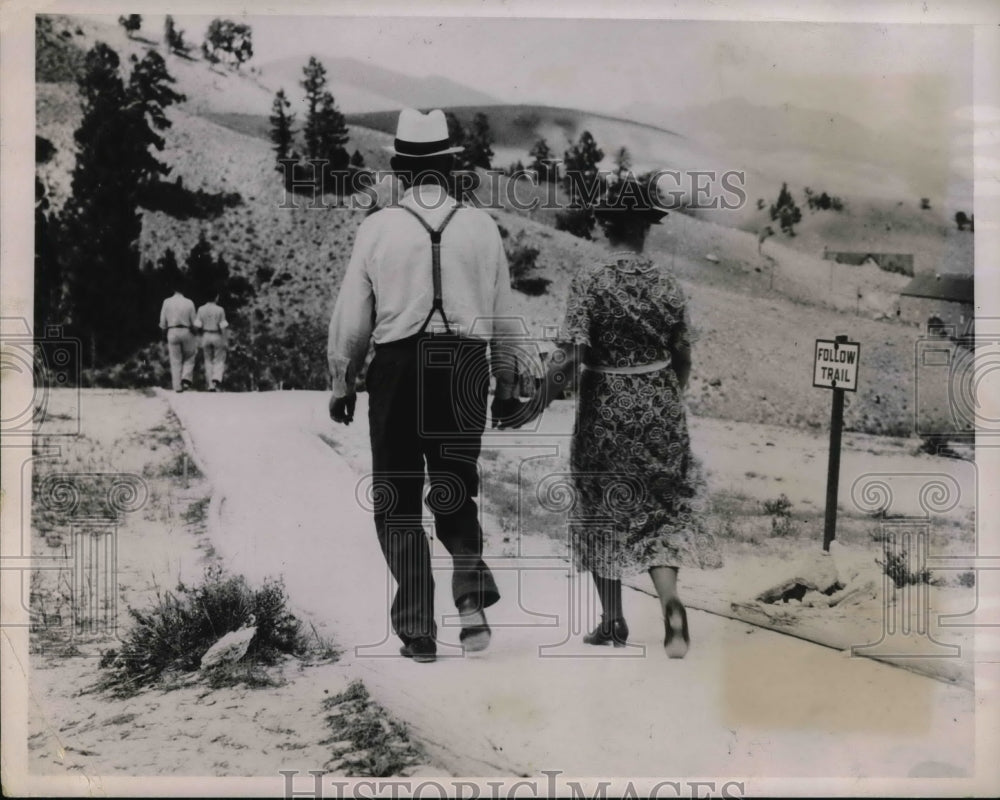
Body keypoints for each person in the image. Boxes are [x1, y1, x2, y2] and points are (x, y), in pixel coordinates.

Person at [327, 108, 523, 664]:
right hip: (464, 363)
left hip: (399, 364)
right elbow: (504, 315)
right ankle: (470, 595)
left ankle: (417, 631)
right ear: (448, 166)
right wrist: (505, 383)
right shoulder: (482, 226)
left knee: (397, 499)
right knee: (455, 487)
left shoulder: (378, 227)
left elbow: (353, 316)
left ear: (399, 167)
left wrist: (342, 381)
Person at [532, 177, 720, 658]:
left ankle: (612, 621)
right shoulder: (668, 283)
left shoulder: (591, 280)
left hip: (604, 410)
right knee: (658, 512)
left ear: (604, 224)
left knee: (601, 509)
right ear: (646, 228)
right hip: (660, 405)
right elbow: (683, 358)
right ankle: (670, 602)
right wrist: (663, 401)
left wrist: (540, 396)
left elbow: (572, 354)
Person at [159, 282, 197, 393]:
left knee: (175, 360)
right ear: (184, 290)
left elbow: (162, 322)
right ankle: (186, 378)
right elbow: (194, 321)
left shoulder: (166, 302)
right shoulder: (189, 302)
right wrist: (195, 332)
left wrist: (163, 334)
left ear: (173, 289)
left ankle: (177, 387)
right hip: (186, 330)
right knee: (190, 355)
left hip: (172, 331)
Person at [195, 294, 229, 391]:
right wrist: (225, 340)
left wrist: (197, 337)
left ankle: (210, 385)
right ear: (216, 297)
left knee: (207, 360)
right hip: (217, 335)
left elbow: (197, 325)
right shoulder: (220, 310)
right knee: (219, 357)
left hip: (205, 335)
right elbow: (223, 326)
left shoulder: (201, 309)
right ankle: (216, 377)